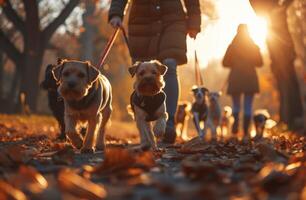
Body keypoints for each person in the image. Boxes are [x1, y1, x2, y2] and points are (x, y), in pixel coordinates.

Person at [108, 0, 201, 143]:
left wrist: (194, 22)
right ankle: (144, 123)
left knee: (169, 65)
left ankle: (168, 123)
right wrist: (116, 13)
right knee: (143, 70)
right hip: (141, 21)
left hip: (173, 20)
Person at [222, 24, 263, 139]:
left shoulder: (232, 46)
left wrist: (234, 63)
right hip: (250, 78)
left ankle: (235, 124)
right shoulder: (254, 46)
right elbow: (260, 63)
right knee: (248, 105)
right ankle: (245, 132)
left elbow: (224, 63)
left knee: (236, 105)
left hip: (235, 78)